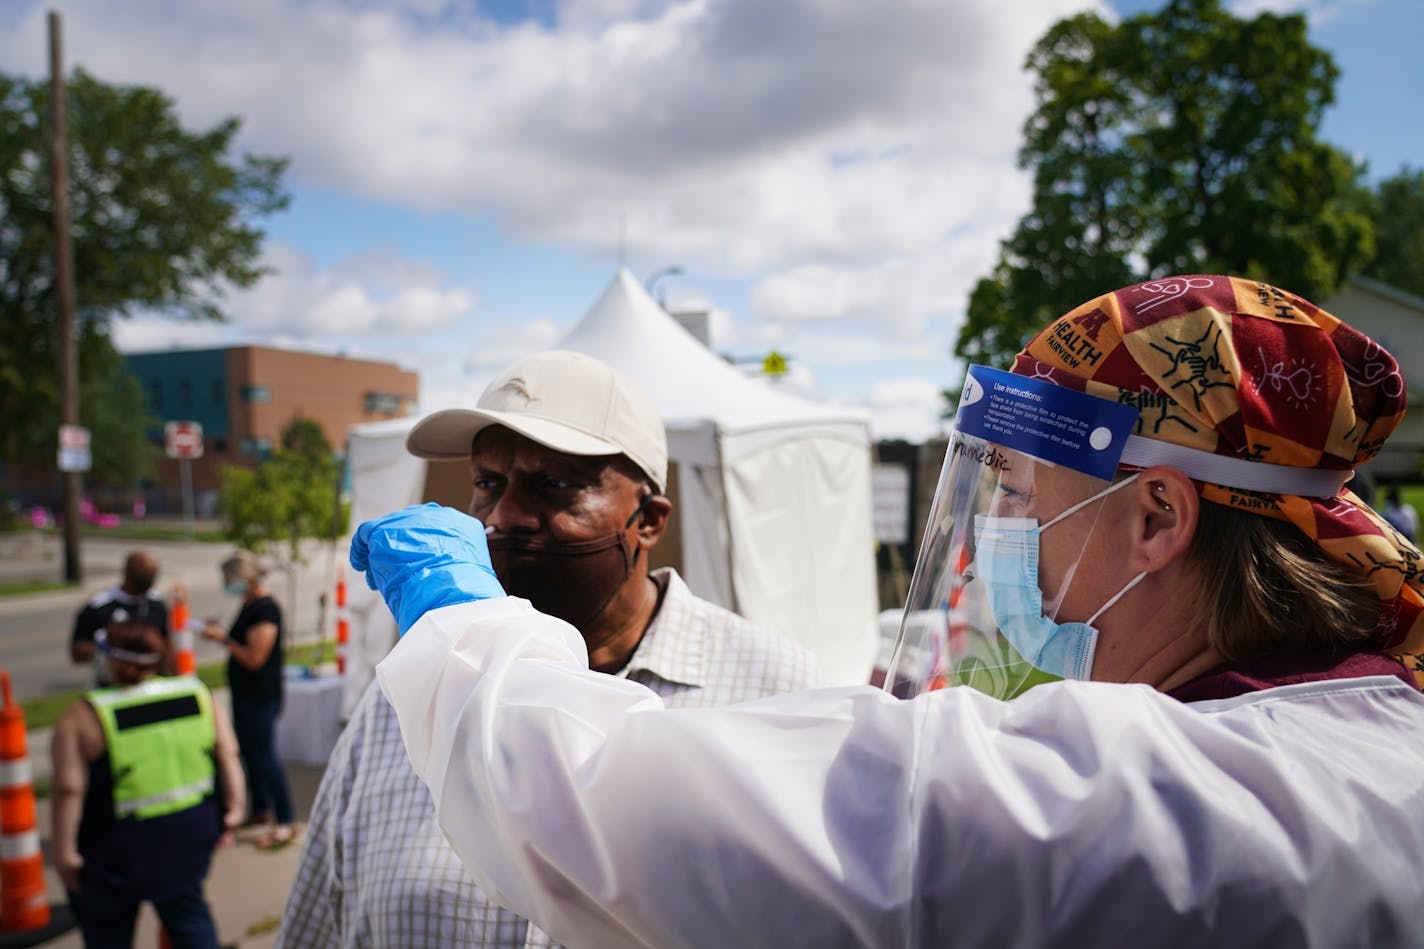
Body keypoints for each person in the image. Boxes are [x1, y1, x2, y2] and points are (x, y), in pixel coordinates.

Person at [354, 276, 1424, 947]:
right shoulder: (1366, 744)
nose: (994, 535)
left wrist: (458, 620)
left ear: (1154, 515)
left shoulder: (1132, 799)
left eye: (1013, 492)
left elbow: (575, 801)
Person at [277, 350, 822, 947]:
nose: (505, 516)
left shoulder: (774, 688)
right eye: (488, 483)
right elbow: (316, 926)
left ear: (649, 521)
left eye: (554, 485)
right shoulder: (417, 687)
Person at [49, 604, 245, 948]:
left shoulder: (87, 714)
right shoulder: (196, 693)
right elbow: (228, 754)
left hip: (116, 850)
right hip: (189, 836)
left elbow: (68, 789)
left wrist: (64, 854)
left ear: (117, 661)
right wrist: (234, 810)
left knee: (108, 931)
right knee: (188, 916)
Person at [199, 552, 295, 850]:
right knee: (251, 756)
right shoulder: (249, 604)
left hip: (260, 695)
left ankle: (285, 818)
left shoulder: (266, 610)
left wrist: (224, 640)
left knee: (265, 757)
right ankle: (260, 808)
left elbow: (255, 658)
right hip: (245, 694)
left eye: (230, 580)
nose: (227, 585)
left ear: (246, 578)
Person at [72, 551, 172, 686]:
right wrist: (114, 655)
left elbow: (167, 644)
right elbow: (77, 651)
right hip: (112, 685)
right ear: (128, 572)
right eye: (144, 575)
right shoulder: (99, 606)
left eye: (152, 575)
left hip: (153, 686)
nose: (149, 580)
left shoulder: (156, 603)